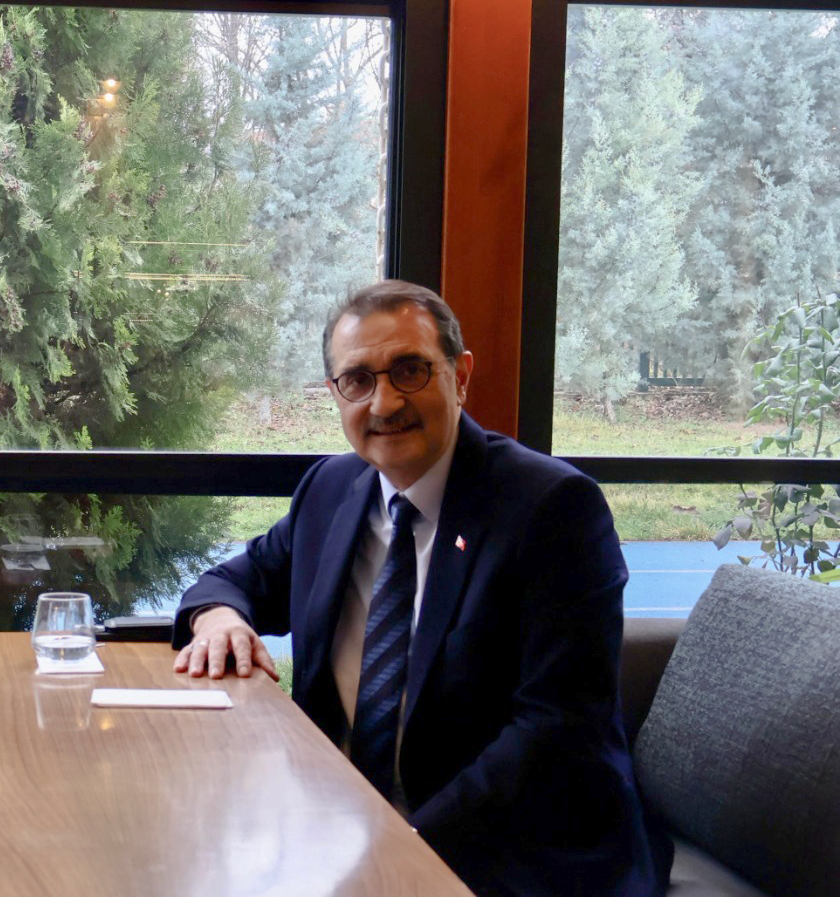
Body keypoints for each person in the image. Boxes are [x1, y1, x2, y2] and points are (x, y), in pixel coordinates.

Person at [173, 280, 669, 895]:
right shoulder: (330, 490)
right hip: (339, 824)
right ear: (335, 395)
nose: (384, 403)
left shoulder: (553, 510)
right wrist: (219, 618)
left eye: (410, 370)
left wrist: (397, 847)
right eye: (358, 380)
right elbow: (233, 581)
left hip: (513, 849)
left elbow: (556, 732)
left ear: (460, 377)